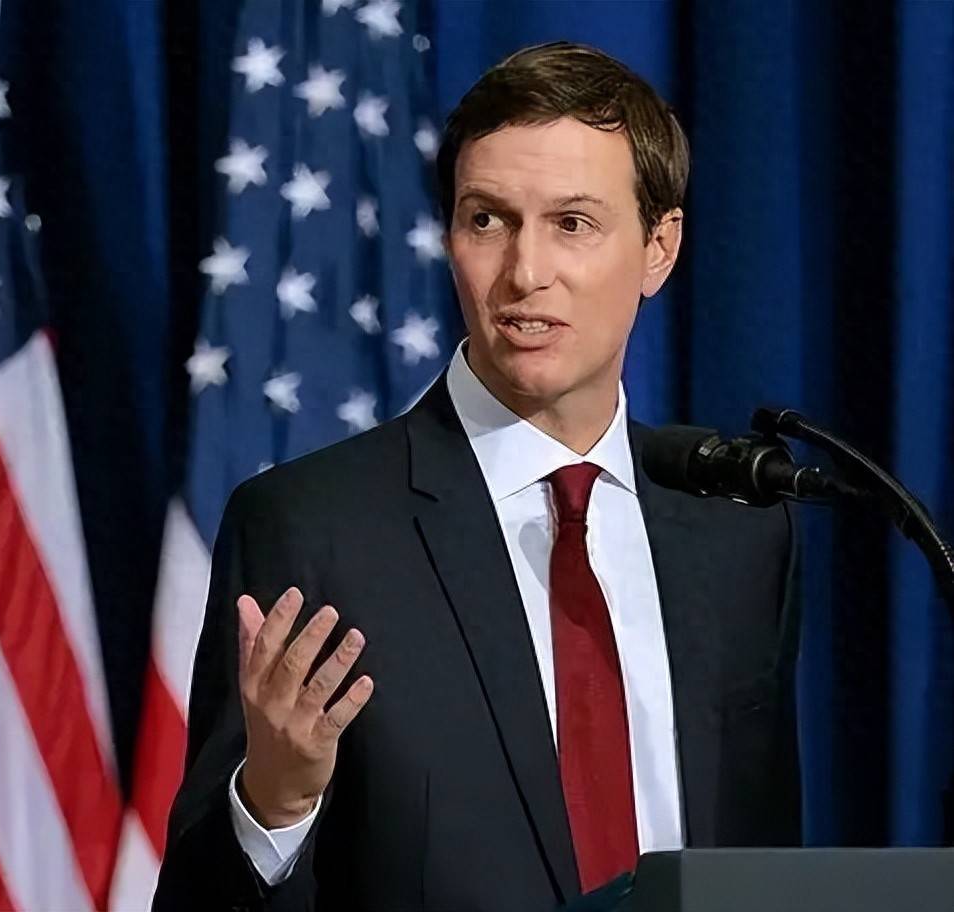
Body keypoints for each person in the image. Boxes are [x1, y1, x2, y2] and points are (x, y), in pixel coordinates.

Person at [153, 41, 801, 912]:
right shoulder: (313, 528)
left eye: (572, 223)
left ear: (659, 246)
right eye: (487, 220)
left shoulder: (738, 529)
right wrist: (275, 804)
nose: (525, 274)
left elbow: (765, 864)